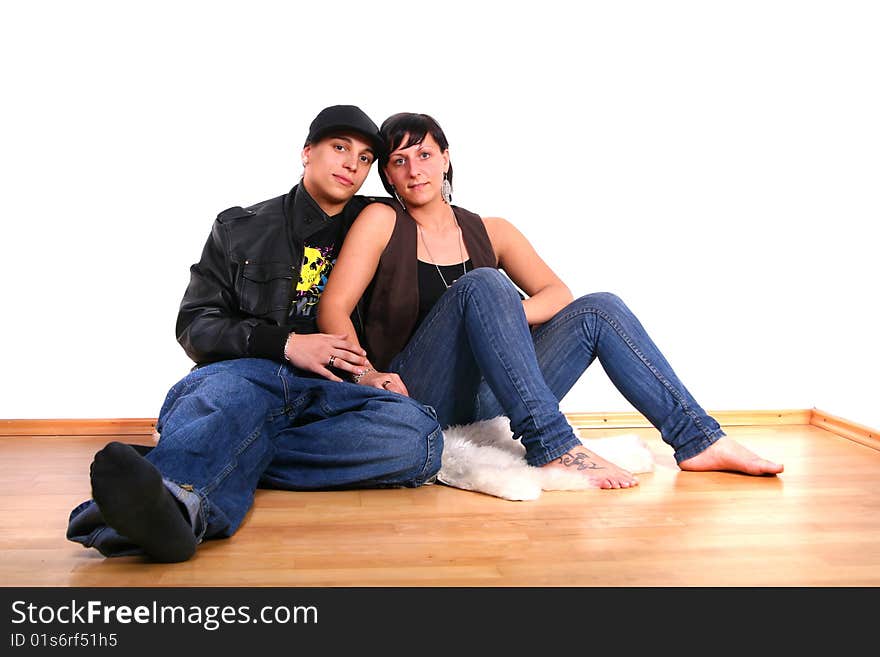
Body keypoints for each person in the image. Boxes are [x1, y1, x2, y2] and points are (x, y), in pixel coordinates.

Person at [317, 112, 784, 489]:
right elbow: (332, 307)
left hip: (490, 397)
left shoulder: (491, 230)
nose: (414, 169)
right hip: (418, 392)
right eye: (399, 161)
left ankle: (698, 439)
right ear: (388, 177)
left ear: (446, 159)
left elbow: (558, 294)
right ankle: (553, 445)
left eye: (424, 154)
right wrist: (367, 373)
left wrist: (496, 318)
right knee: (485, 285)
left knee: (601, 306)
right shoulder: (380, 219)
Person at [66, 106, 443, 563]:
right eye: (339, 148)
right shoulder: (240, 228)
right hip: (248, 374)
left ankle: (195, 455)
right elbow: (196, 324)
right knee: (229, 400)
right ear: (307, 152)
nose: (351, 164)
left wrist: (368, 374)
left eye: (365, 158)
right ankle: (179, 507)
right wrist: (285, 343)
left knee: (418, 437)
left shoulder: (381, 224)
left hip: (336, 391)